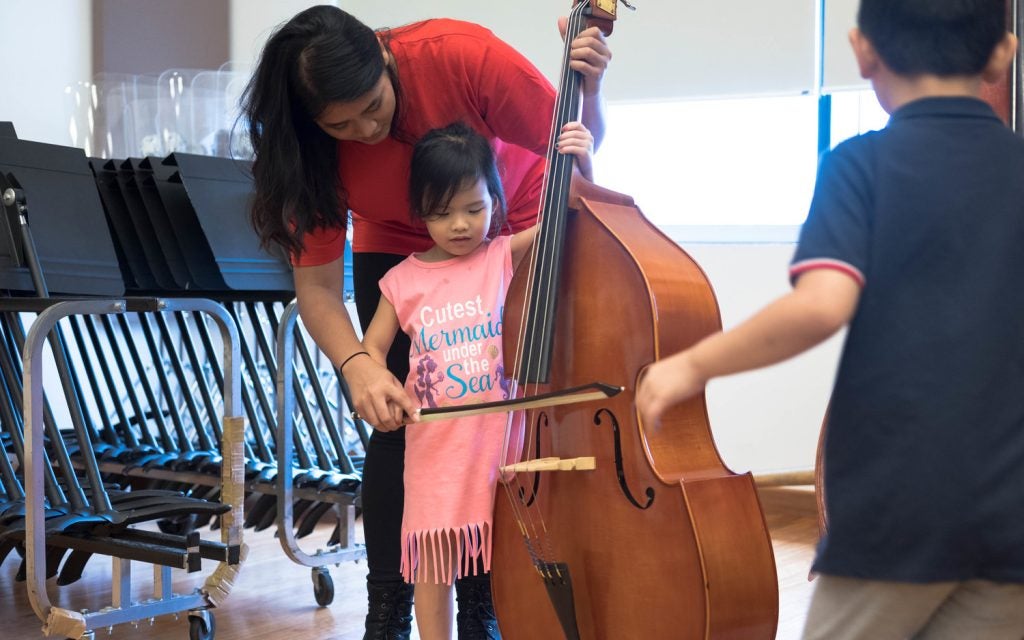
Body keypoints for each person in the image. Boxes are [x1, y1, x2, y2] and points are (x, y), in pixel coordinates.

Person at [635, 1, 1024, 638]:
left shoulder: (861, 164)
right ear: (1001, 54)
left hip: (898, 507)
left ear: (863, 50)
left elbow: (821, 304)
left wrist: (690, 365)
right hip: (1011, 514)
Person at [239, 5, 610, 638]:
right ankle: (387, 612)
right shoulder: (307, 155)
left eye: (372, 106)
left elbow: (575, 137)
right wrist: (358, 366)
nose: (365, 129)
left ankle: (490, 602)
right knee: (397, 423)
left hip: (509, 221)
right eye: (341, 124)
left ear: (385, 60)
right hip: (395, 243)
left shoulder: (459, 55)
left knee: (508, 414)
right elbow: (319, 288)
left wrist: (593, 89)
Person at [361, 120, 592, 640]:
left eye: (474, 208)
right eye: (442, 213)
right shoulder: (403, 279)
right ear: (420, 210)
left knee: (507, 558)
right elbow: (372, 350)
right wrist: (379, 386)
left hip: (502, 442)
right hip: (437, 447)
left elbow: (569, 220)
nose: (460, 225)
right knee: (434, 560)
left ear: (496, 200)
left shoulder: (503, 255)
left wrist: (582, 159)